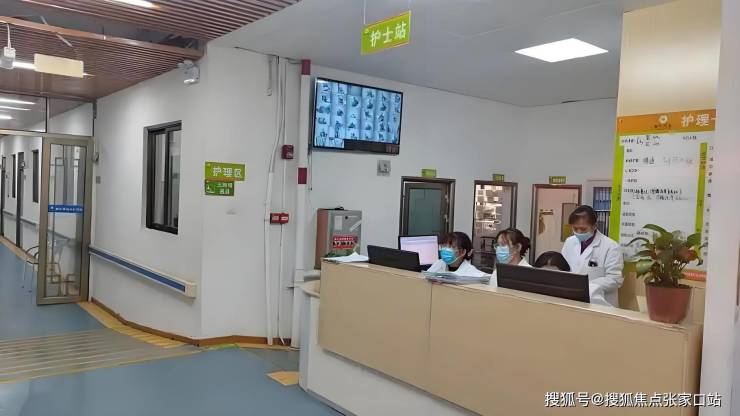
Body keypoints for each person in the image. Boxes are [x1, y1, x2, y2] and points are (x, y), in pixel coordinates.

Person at [561, 205, 623, 307]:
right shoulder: (569, 242)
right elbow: (563, 268)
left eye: (583, 229)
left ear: (594, 226)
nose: (578, 232)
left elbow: (614, 279)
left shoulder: (611, 247)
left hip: (600, 303)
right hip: (572, 299)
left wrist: (585, 286)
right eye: (575, 228)